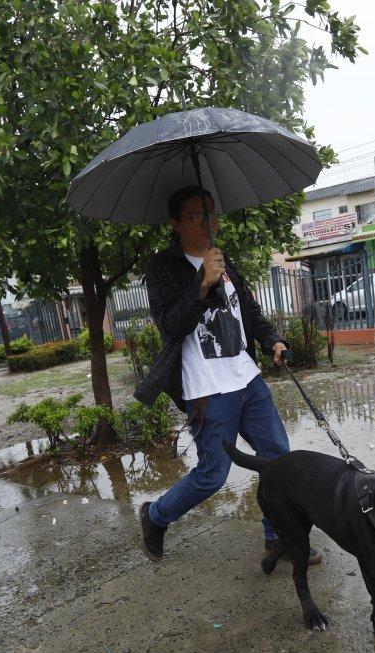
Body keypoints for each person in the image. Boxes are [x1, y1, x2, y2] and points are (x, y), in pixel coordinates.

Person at [134, 186, 319, 566]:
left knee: (276, 459)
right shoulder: (162, 268)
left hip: (246, 378)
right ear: (175, 224)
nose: (209, 224)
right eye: (197, 217)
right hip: (208, 389)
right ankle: (155, 516)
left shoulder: (223, 259)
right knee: (213, 474)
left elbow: (247, 312)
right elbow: (170, 325)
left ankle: (278, 538)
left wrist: (273, 340)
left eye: (212, 215)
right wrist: (201, 283)